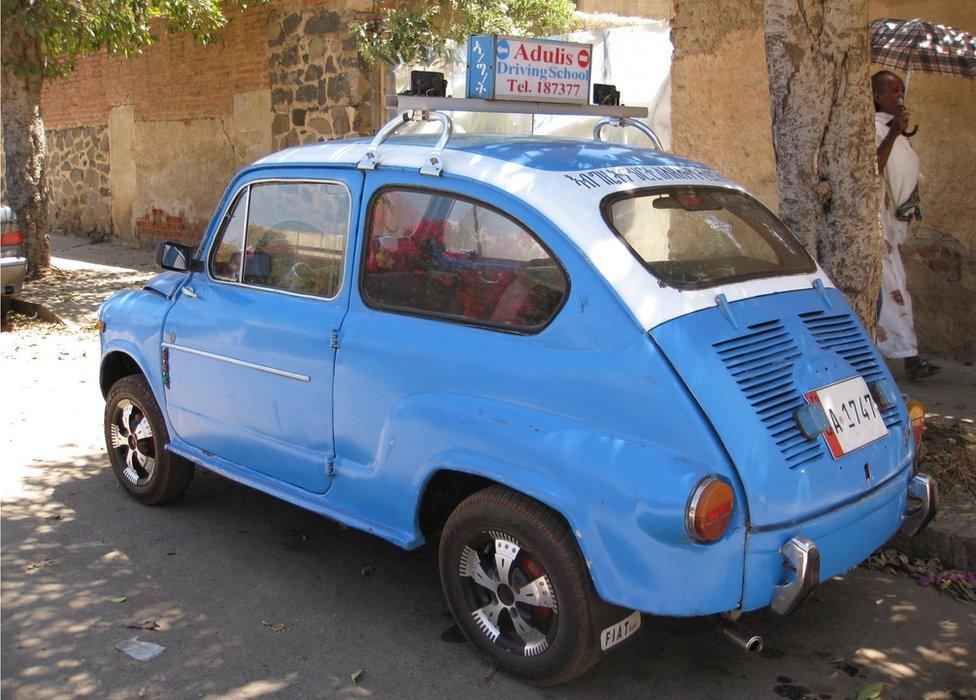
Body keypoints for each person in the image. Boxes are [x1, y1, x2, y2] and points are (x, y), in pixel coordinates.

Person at [871, 70, 940, 379]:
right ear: (876, 96)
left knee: (896, 289)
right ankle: (907, 358)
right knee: (891, 290)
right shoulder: (873, 128)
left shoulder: (894, 129)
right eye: (892, 89)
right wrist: (894, 132)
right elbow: (873, 167)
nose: (900, 94)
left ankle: (906, 356)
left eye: (901, 88)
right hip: (874, 227)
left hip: (890, 226)